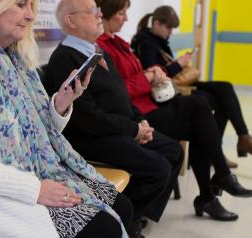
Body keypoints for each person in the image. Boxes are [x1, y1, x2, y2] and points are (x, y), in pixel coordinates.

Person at [0, 0, 136, 237]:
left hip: (30, 177)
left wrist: (60, 105)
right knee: (102, 228)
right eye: (21, 4)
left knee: (121, 205)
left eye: (32, 6)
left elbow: (39, 132)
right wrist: (35, 189)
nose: (30, 15)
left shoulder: (15, 59)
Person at [95, 0, 252, 223]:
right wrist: (149, 76)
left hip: (149, 104)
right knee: (199, 105)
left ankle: (210, 191)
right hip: (138, 113)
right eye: (121, 13)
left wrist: (152, 72)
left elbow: (133, 75)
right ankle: (218, 180)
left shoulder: (119, 43)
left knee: (202, 119)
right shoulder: (102, 48)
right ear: (104, 15)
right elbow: (119, 90)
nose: (126, 19)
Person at [45, 0, 184, 236]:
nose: (100, 14)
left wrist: (141, 121)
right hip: (92, 139)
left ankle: (135, 217)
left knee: (174, 151)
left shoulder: (98, 52)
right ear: (71, 20)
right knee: (159, 169)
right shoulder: (64, 59)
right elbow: (88, 118)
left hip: (119, 129)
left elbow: (123, 96)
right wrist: (132, 130)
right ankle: (127, 219)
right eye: (92, 11)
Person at [131, 5, 252, 169]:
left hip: (178, 84)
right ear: (157, 23)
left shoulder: (158, 41)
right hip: (169, 91)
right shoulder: (146, 44)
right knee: (221, 98)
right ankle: (223, 147)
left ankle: (238, 138)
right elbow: (156, 77)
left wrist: (179, 63)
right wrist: (179, 64)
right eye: (168, 27)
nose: (170, 32)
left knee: (225, 89)